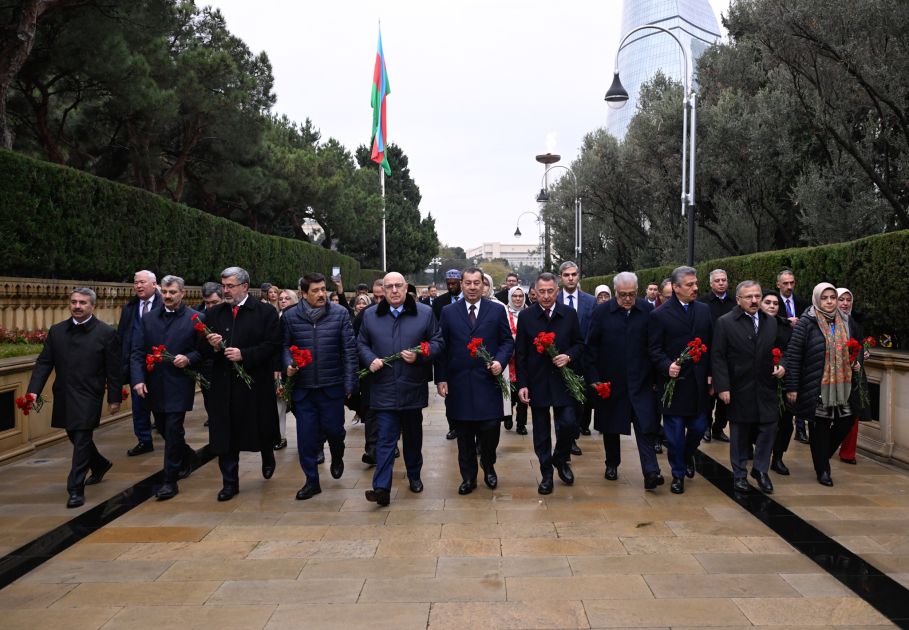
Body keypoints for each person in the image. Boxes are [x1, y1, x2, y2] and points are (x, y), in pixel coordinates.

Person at [28, 288, 121, 508]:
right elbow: (44, 363)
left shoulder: (105, 333)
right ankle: (99, 464)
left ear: (92, 306)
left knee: (81, 438)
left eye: (83, 303)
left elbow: (114, 370)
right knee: (75, 435)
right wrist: (34, 390)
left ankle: (75, 489)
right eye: (74, 302)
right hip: (64, 393)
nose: (77, 306)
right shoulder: (57, 331)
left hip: (90, 395)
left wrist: (114, 398)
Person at [358, 272, 442, 505]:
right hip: (383, 386)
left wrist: (420, 354)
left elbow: (437, 342)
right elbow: (361, 343)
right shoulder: (370, 316)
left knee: (413, 437)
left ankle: (414, 475)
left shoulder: (424, 313)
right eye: (389, 287)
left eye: (398, 286)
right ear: (382, 291)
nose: (394, 290)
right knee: (385, 438)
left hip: (411, 386)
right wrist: (370, 358)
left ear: (406, 288)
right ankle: (381, 488)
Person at [201, 267, 282, 501]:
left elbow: (272, 345)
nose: (225, 291)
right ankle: (229, 482)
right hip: (223, 385)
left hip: (254, 384)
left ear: (244, 287)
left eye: (230, 286)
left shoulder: (264, 312)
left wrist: (244, 355)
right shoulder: (215, 313)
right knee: (225, 435)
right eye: (223, 286)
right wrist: (212, 345)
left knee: (259, 427)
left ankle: (267, 454)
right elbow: (200, 347)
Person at [436, 267, 514, 495]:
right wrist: (440, 378)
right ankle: (468, 477)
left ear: (483, 285)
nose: (472, 287)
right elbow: (442, 347)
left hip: (488, 383)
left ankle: (488, 464)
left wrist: (500, 361)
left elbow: (507, 342)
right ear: (461, 284)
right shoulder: (449, 312)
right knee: (464, 435)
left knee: (490, 429)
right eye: (467, 283)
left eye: (476, 283)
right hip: (459, 384)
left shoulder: (496, 311)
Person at [281, 272, 358, 500]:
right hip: (304, 389)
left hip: (331, 387)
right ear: (303, 294)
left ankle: (337, 454)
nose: (321, 294)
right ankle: (311, 481)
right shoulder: (290, 317)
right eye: (315, 291)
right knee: (306, 437)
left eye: (323, 289)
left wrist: (350, 383)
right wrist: (288, 365)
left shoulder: (340, 314)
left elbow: (349, 351)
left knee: (335, 430)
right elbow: (283, 347)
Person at [585, 272, 663, 490]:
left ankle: (651, 471)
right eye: (622, 295)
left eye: (632, 294)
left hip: (641, 380)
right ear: (615, 292)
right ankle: (612, 463)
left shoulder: (647, 311)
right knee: (611, 426)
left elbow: (655, 346)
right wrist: (594, 379)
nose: (628, 299)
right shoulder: (601, 312)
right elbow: (591, 348)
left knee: (645, 426)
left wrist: (657, 379)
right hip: (611, 381)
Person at [130, 275, 201, 500]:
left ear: (183, 293)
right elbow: (138, 352)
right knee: (164, 429)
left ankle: (169, 481)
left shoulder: (196, 318)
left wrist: (188, 358)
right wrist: (138, 379)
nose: (168, 296)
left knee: (172, 429)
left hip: (179, 384)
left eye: (173, 292)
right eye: (165, 292)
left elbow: (204, 352)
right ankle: (186, 454)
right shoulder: (148, 319)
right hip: (154, 385)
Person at [712, 281, 786, 494]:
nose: (754, 301)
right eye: (749, 297)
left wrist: (783, 365)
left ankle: (760, 469)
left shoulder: (771, 322)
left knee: (769, 427)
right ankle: (740, 474)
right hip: (739, 386)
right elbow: (718, 357)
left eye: (757, 296)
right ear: (738, 300)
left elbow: (785, 349)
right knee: (740, 433)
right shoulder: (725, 323)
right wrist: (722, 386)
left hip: (766, 386)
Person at [784, 282, 862, 487]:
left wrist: (856, 361)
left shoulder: (845, 321)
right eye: (825, 298)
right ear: (817, 299)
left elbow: (855, 346)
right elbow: (794, 356)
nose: (829, 302)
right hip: (815, 384)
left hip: (843, 384)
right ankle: (822, 470)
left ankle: (822, 455)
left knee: (846, 421)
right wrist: (792, 387)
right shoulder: (807, 322)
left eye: (832, 298)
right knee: (820, 427)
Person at [516, 272, 583, 495]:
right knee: (541, 431)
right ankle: (546, 473)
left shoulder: (569, 314)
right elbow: (521, 354)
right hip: (538, 382)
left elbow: (580, 344)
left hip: (564, 381)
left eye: (550, 291)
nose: (545, 296)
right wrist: (523, 384)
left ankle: (560, 459)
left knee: (569, 424)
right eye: (541, 292)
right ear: (534, 292)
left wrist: (569, 357)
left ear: (557, 291)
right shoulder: (526, 317)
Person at [648, 266, 713, 495]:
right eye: (689, 285)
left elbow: (712, 345)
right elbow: (654, 349)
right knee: (674, 437)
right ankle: (677, 474)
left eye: (696, 283)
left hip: (698, 385)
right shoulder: (659, 315)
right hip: (673, 386)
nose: (695, 288)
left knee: (698, 428)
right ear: (676, 288)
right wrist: (667, 366)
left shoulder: (704, 310)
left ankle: (687, 457)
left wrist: (712, 373)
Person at [118, 270, 161, 457]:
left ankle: (171, 437)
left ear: (154, 284)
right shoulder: (130, 307)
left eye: (142, 282)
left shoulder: (164, 304)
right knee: (138, 404)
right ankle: (144, 440)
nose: (138, 286)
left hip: (160, 362)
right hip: (136, 362)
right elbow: (122, 335)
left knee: (161, 405)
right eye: (136, 283)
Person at [557, 261, 596, 442]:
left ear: (579, 276)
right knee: (561, 406)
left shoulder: (591, 301)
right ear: (561, 278)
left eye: (574, 274)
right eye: (566, 275)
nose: (570, 278)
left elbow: (594, 332)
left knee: (580, 403)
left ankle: (572, 436)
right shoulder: (553, 300)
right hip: (558, 362)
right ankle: (566, 442)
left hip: (583, 362)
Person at [760, 291, 795, 475]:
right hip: (759, 381)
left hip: (782, 380)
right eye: (768, 302)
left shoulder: (786, 326)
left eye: (775, 303)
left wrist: (783, 364)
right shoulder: (752, 325)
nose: (772, 306)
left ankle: (778, 457)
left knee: (785, 421)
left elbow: (791, 350)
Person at [776, 269, 811, 445]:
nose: (789, 286)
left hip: (800, 353)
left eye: (792, 283)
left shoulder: (802, 303)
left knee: (799, 391)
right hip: (781, 353)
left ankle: (800, 429)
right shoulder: (773, 303)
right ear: (778, 285)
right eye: (786, 283)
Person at [835, 287, 870, 465]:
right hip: (831, 376)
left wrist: (861, 354)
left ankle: (848, 453)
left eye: (848, 300)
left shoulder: (855, 323)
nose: (845, 303)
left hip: (854, 375)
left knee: (853, 413)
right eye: (841, 299)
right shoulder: (824, 321)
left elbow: (858, 343)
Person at [699, 269, 734, 444]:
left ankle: (719, 427)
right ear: (711, 283)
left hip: (730, 355)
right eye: (717, 281)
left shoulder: (735, 301)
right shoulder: (703, 303)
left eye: (724, 280)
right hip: (709, 353)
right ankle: (706, 426)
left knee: (726, 397)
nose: (721, 283)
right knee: (709, 395)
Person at [433, 269, 464, 440]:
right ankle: (453, 426)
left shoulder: (467, 299)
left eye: (454, 283)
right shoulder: (439, 303)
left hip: (466, 351)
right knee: (449, 394)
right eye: (448, 284)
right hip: (447, 352)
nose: (451, 286)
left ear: (460, 282)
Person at [274, 288, 300, 450]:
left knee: (298, 406)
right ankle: (280, 437)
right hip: (279, 368)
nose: (282, 301)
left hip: (295, 366)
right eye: (280, 298)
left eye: (287, 298)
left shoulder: (296, 318)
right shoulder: (275, 317)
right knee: (279, 405)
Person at [196, 282, 222, 429]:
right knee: (209, 396)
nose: (211, 306)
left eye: (214, 302)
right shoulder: (197, 315)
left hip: (223, 362)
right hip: (205, 364)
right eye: (207, 303)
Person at [505, 285, 529, 435]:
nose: (518, 299)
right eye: (515, 296)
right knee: (509, 391)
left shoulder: (529, 313)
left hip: (524, 360)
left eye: (520, 296)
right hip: (508, 361)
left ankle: (521, 424)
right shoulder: (503, 313)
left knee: (524, 391)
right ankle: (507, 415)